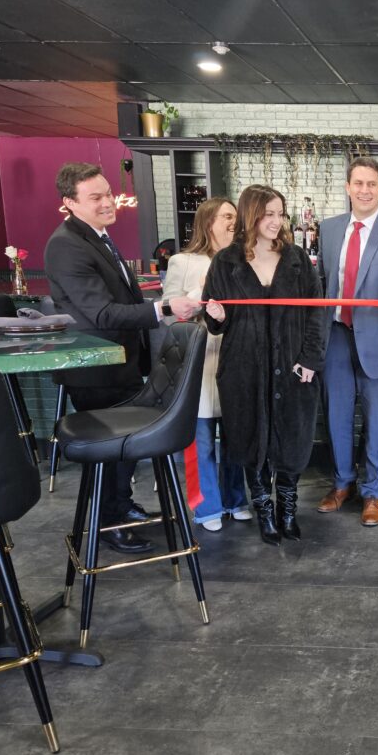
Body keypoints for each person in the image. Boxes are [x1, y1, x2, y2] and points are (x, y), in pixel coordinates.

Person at [45, 162, 202, 554]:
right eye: (95, 197)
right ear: (69, 203)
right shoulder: (66, 244)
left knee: (125, 450)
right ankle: (109, 523)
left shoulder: (98, 238)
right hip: (97, 368)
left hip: (123, 362)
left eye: (107, 193)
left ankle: (119, 506)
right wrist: (164, 309)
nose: (107, 202)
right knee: (114, 449)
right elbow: (101, 314)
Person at [203, 185, 326, 546]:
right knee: (250, 440)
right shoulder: (225, 262)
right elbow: (216, 321)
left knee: (292, 441)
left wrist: (310, 358)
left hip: (293, 367)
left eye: (280, 213)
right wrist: (217, 315)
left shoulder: (297, 259)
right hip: (244, 368)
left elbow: (317, 313)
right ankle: (264, 512)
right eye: (268, 214)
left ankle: (288, 509)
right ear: (250, 216)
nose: (276, 221)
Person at [315, 157, 378, 527]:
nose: (365, 190)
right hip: (337, 337)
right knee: (337, 418)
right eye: (358, 183)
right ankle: (342, 485)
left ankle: (374, 493)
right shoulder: (328, 229)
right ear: (348, 187)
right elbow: (323, 285)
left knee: (377, 422)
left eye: (372, 184)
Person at [161, 196, 250, 533]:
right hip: (199, 362)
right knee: (198, 442)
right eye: (226, 216)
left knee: (234, 437)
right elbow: (169, 314)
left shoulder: (244, 260)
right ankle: (204, 506)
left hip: (234, 360)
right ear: (207, 221)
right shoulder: (182, 262)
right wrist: (199, 295)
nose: (233, 222)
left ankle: (235, 499)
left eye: (235, 217)